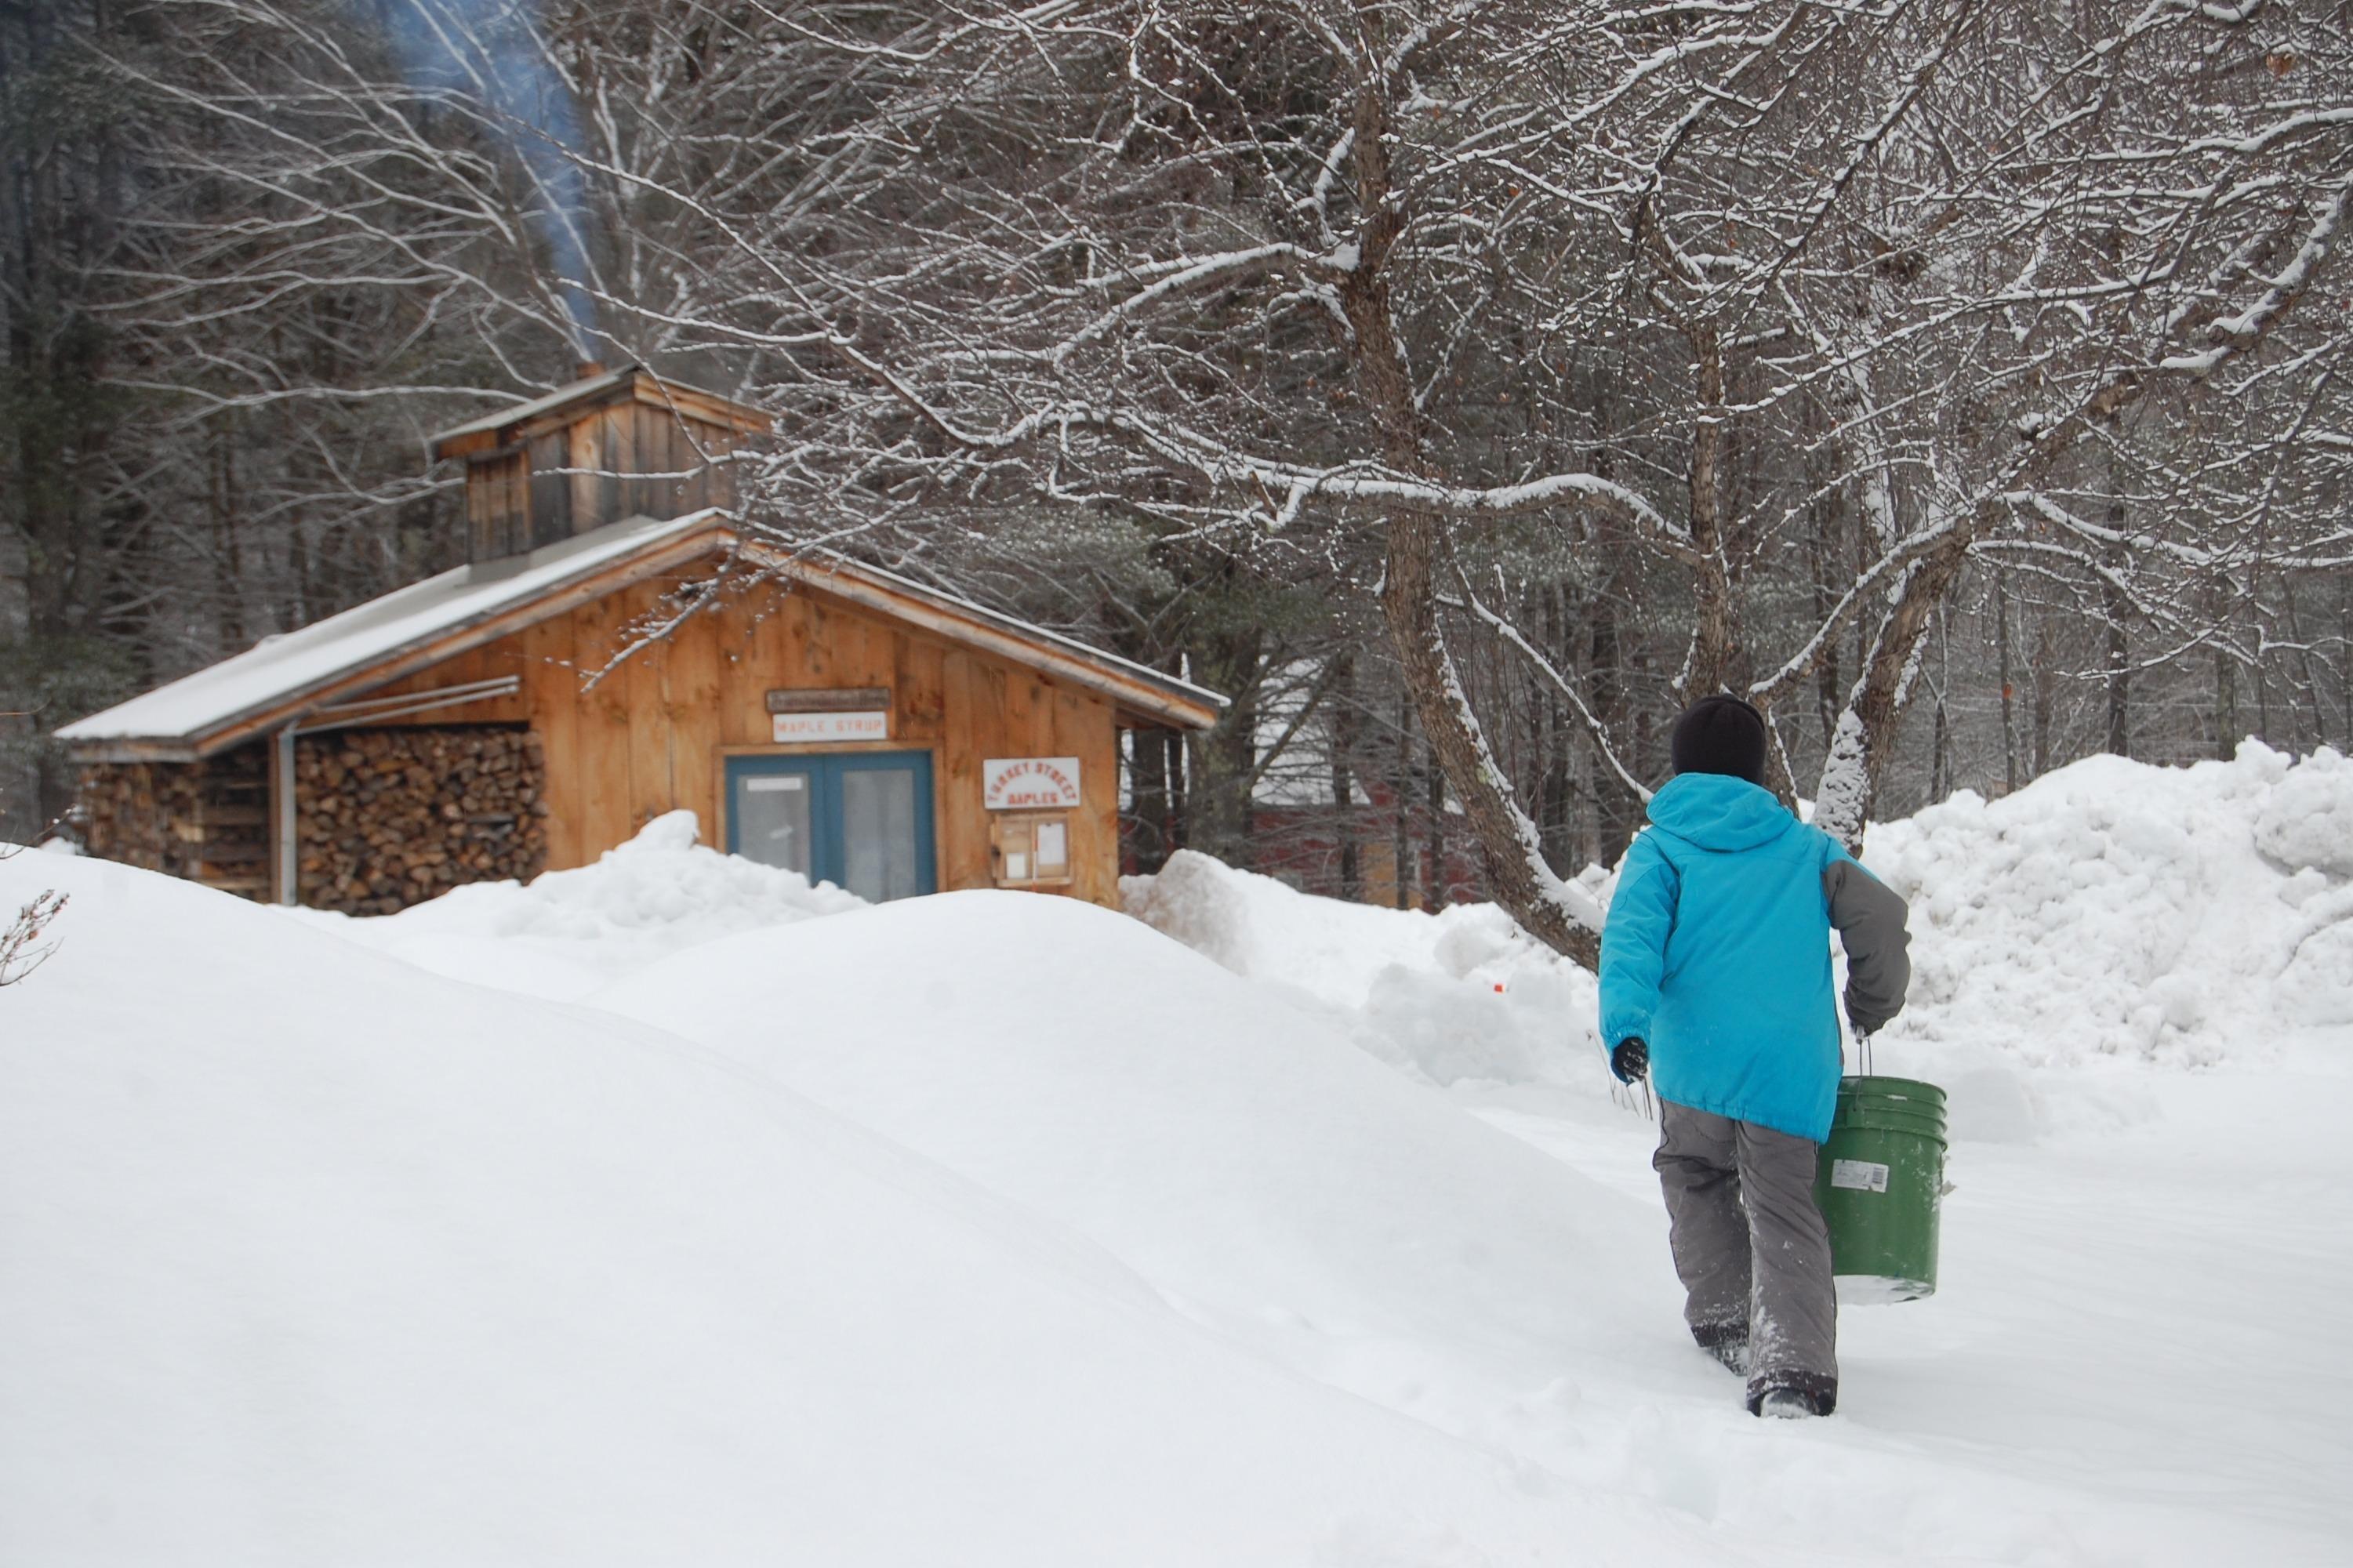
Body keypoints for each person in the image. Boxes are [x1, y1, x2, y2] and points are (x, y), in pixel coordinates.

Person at [1599, 695, 1911, 1420]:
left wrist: (1626, 1028)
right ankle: (1792, 1374)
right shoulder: (1806, 850)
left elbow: (1631, 944)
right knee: (1783, 1210)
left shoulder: (1660, 849)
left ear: (1680, 769)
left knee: (1693, 1176)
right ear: (1755, 772)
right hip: (1786, 1074)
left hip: (1696, 1068)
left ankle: (1725, 1320)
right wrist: (1870, 1004)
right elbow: (1883, 920)